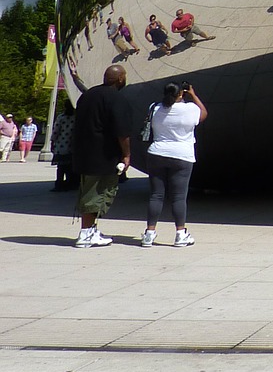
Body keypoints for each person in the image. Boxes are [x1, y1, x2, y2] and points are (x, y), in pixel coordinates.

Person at [71, 64, 131, 247]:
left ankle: (90, 230)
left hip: (84, 152)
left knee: (89, 190)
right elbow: (122, 132)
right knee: (97, 193)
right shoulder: (116, 99)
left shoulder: (87, 96)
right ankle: (86, 234)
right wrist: (127, 155)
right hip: (103, 155)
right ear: (120, 78)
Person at [142, 82, 208, 247]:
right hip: (182, 155)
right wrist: (193, 94)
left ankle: (149, 233)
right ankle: (180, 234)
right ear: (181, 94)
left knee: (156, 195)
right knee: (179, 197)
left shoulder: (154, 108)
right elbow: (203, 114)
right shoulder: (190, 109)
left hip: (156, 152)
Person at [50, 98, 77, 190]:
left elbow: (56, 131)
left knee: (61, 167)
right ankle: (70, 183)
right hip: (72, 144)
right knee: (70, 166)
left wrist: (52, 141)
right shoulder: (76, 117)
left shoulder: (61, 117)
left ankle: (59, 184)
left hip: (61, 143)